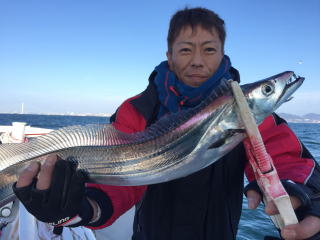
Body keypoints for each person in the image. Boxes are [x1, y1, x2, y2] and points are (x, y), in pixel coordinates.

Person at [13, 7, 320, 240]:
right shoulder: (138, 109)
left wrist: (303, 197)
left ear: (223, 54)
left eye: (209, 49)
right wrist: (83, 207)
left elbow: (286, 160)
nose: (197, 61)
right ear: (170, 56)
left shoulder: (248, 114)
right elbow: (120, 178)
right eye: (186, 49)